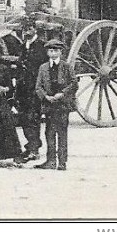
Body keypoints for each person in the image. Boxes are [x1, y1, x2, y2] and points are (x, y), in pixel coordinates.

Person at [34, 38, 77, 170]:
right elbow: (38, 86)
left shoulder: (66, 66)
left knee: (62, 133)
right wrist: (46, 96)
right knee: (49, 133)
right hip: (49, 106)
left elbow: (74, 83)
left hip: (63, 105)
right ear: (47, 53)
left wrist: (62, 94)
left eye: (56, 51)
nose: (53, 53)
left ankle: (62, 162)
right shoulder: (43, 68)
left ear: (60, 52)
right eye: (50, 51)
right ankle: (51, 161)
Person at [17, 19, 48, 160]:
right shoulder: (24, 46)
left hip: (35, 89)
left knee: (33, 118)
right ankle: (31, 145)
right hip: (23, 88)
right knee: (24, 118)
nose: (27, 32)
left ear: (35, 29)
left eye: (29, 28)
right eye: (25, 29)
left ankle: (34, 149)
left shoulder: (42, 46)